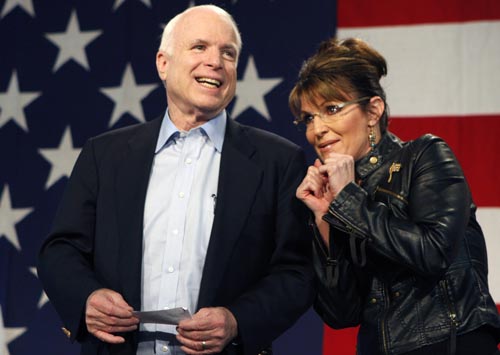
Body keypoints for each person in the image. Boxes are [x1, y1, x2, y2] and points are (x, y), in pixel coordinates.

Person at [38, 5, 315, 355]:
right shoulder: (104, 154)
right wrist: (87, 298)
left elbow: (296, 272)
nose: (215, 61)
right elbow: (60, 250)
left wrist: (236, 320)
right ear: (163, 64)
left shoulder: (277, 161)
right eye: (199, 47)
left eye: (228, 53)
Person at [289, 37, 500, 355]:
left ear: (373, 110)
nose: (316, 129)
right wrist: (323, 219)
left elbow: (432, 252)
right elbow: (340, 314)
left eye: (331, 109)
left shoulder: (425, 155)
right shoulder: (339, 197)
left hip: (450, 345)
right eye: (308, 117)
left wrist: (347, 199)